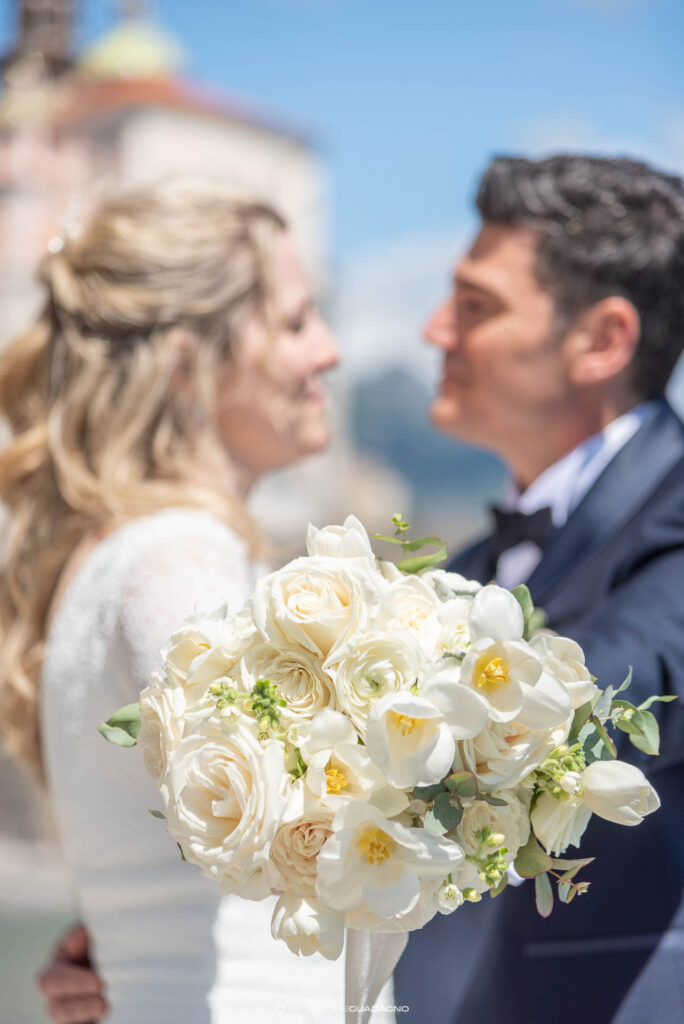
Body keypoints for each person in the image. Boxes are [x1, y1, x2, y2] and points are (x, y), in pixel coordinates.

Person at [0, 178, 396, 1024]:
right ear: (188, 365)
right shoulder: (177, 560)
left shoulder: (121, 551)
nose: (327, 350)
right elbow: (278, 795)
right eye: (295, 322)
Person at [393, 154, 684, 1023]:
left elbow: (595, 695)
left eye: (475, 306)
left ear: (601, 340)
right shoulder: (468, 564)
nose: (435, 331)